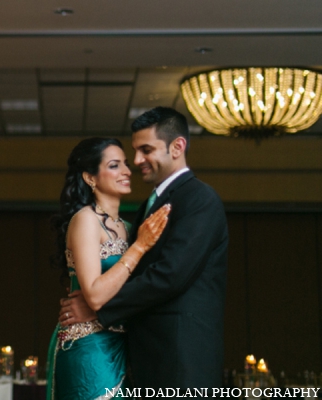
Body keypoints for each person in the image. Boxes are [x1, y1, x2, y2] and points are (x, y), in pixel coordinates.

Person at [59, 107, 229, 391]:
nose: (136, 162)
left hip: (181, 357)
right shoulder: (147, 206)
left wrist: (97, 310)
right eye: (134, 152)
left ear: (177, 147)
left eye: (146, 150)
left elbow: (170, 275)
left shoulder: (199, 199)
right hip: (143, 356)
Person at [46, 137, 171, 400]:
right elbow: (94, 295)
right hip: (89, 347)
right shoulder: (86, 221)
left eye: (125, 164)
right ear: (90, 177)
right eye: (115, 165)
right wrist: (139, 247)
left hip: (124, 346)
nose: (127, 171)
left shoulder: (129, 228)